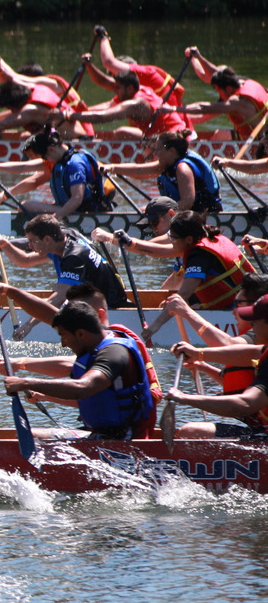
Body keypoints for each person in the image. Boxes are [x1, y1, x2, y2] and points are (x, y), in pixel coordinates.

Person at [0, 282, 162, 436]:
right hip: (101, 433)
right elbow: (48, 314)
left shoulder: (114, 352)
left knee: (31, 437)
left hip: (122, 440)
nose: (63, 343)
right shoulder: (90, 336)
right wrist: (8, 290)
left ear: (82, 331)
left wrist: (26, 382)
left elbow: (83, 388)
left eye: (64, 336)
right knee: (27, 434)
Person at [165, 275, 268, 437]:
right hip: (256, 424)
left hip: (260, 430)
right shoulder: (263, 349)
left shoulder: (253, 338)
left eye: (238, 304)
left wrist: (184, 397)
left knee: (190, 432)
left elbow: (246, 403)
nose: (252, 323)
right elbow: (249, 358)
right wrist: (200, 358)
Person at [132, 210, 256, 342]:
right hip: (240, 303)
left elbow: (183, 295)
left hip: (237, 311)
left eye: (173, 238)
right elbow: (160, 251)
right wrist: (129, 243)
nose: (171, 241)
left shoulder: (199, 256)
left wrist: (155, 325)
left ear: (189, 239)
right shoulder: (210, 238)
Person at [0, 214, 128, 328]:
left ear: (47, 239)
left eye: (32, 241)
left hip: (109, 307)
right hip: (96, 298)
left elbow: (59, 298)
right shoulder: (64, 239)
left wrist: (28, 326)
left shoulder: (73, 257)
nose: (29, 246)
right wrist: (3, 243)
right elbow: (25, 260)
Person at [0, 127, 114, 217]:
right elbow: (23, 167)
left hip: (85, 212)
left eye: (44, 157)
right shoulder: (59, 160)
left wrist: (56, 218)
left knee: (27, 205)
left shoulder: (75, 164)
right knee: (26, 206)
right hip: (71, 209)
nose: (45, 161)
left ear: (51, 149)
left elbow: (77, 199)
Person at [0, 46, 95, 138]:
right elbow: (10, 81)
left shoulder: (49, 86)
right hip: (67, 135)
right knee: (26, 136)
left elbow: (12, 77)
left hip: (79, 141)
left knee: (26, 138)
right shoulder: (36, 94)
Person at [104, 131, 222, 214]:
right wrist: (112, 167)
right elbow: (139, 170)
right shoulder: (166, 164)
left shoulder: (183, 169)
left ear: (171, 151)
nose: (156, 154)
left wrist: (158, 210)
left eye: (159, 150)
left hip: (206, 217)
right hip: (185, 216)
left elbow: (187, 203)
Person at [61, 68, 191, 139]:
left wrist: (70, 117)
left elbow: (102, 117)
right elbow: (105, 107)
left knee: (121, 133)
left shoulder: (137, 103)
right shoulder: (134, 92)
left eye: (117, 87)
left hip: (176, 139)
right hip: (161, 137)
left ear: (129, 88)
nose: (115, 90)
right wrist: (75, 111)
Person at [180, 48, 268, 140]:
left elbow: (201, 115)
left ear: (228, 89)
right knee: (219, 134)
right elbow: (205, 74)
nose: (217, 92)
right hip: (257, 134)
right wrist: (195, 58)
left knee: (218, 136)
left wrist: (175, 112)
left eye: (218, 89)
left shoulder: (235, 102)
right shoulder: (242, 82)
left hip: (259, 142)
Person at [84, 31, 187, 108]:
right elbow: (104, 85)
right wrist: (75, 113)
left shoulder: (146, 74)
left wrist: (104, 37)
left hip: (174, 133)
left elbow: (108, 62)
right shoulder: (132, 89)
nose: (116, 87)